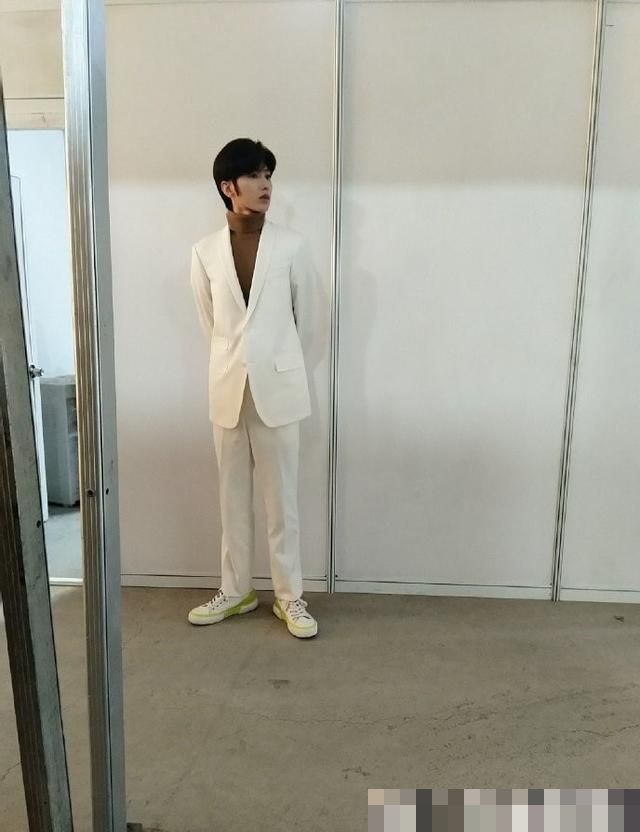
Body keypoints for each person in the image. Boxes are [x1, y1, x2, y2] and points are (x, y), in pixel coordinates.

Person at [188, 138, 325, 639]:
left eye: (268, 174)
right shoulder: (204, 252)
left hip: (278, 392)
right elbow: (212, 325)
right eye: (253, 175)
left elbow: (310, 324)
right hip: (228, 391)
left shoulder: (292, 246)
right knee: (231, 500)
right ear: (228, 187)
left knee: (281, 501)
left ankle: (289, 596)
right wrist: (240, 363)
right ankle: (237, 590)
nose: (265, 184)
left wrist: (277, 365)